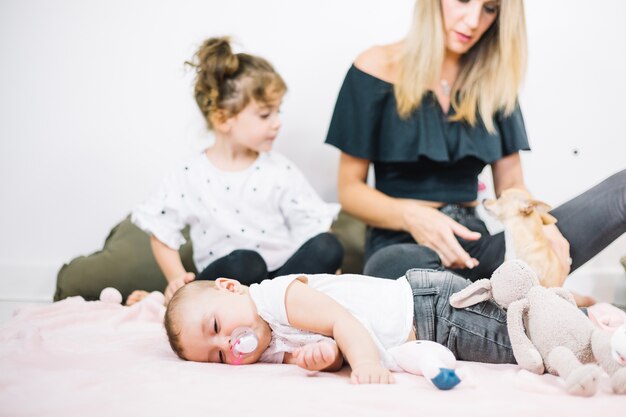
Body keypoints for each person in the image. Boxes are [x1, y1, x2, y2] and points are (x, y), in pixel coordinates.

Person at [324, 0, 626, 284]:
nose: (473, 22)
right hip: (403, 245)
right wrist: (413, 216)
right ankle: (507, 303)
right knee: (392, 268)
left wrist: (540, 225)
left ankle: (482, 305)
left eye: (490, 8)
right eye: (464, 0)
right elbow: (350, 190)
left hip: (476, 249)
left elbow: (511, 184)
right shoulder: (373, 67)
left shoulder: (493, 80)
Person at [132, 37, 343, 304]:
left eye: (278, 112)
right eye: (266, 115)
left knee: (329, 245)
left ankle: (274, 310)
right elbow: (161, 229)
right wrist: (178, 281)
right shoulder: (189, 174)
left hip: (281, 283)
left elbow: (313, 227)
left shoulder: (279, 170)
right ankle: (216, 307)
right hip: (226, 284)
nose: (277, 123)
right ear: (223, 119)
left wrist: (330, 271)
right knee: (246, 262)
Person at [164, 260, 524, 384]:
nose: (228, 344)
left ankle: (564, 327)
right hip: (428, 328)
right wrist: (324, 358)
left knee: (518, 344)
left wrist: (366, 363)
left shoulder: (275, 298)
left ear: (230, 287)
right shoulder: (267, 349)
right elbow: (335, 350)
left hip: (430, 310)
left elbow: (342, 321)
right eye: (219, 357)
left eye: (215, 328)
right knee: (517, 329)